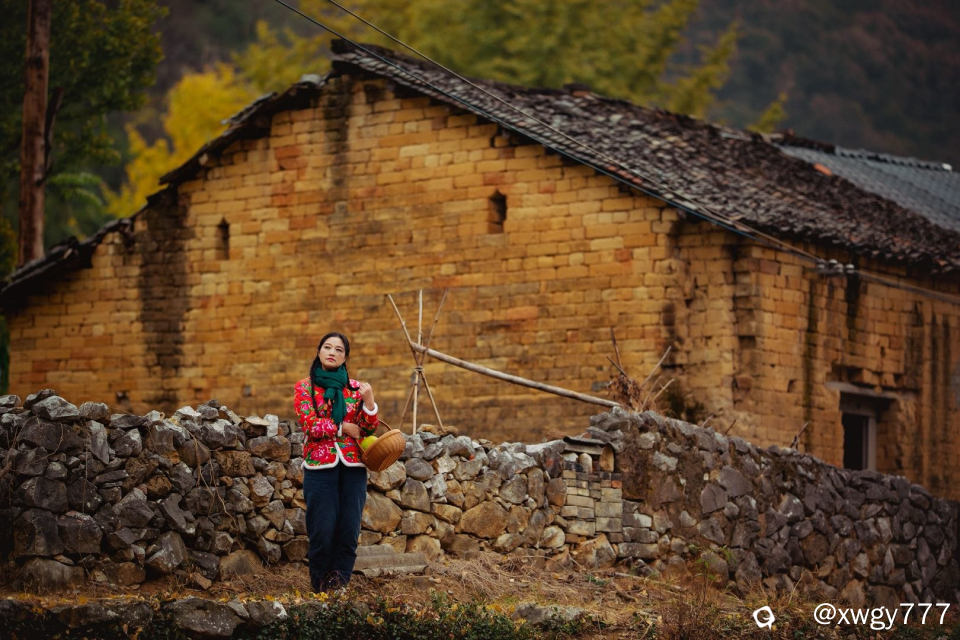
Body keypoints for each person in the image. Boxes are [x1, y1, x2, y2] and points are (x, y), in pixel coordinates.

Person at [294, 331, 378, 592]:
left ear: (345, 357)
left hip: (353, 467)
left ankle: (338, 586)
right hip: (320, 466)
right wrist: (342, 428)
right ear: (319, 352)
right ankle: (320, 587)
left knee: (349, 528)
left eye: (339, 350)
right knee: (322, 528)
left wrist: (369, 402)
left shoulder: (354, 388)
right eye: (327, 347)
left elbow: (367, 428)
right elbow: (309, 424)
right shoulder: (305, 387)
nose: (332, 352)